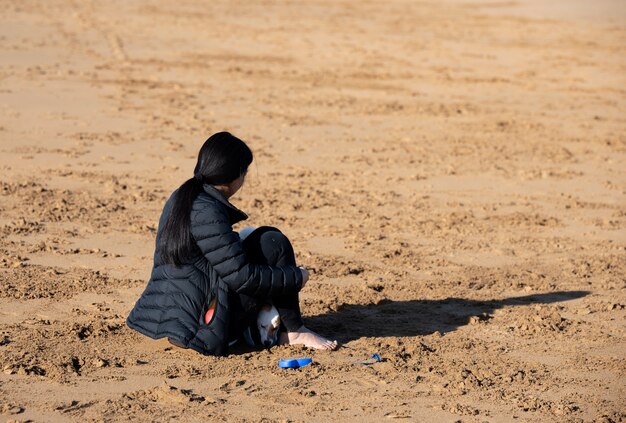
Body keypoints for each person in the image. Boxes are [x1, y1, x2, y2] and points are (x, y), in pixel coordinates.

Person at [126, 131, 337, 355]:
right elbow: (242, 277)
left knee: (252, 237)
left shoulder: (182, 196)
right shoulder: (207, 210)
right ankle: (294, 331)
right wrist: (296, 277)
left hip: (172, 319)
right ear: (236, 175)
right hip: (202, 328)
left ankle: (259, 324)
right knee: (273, 242)